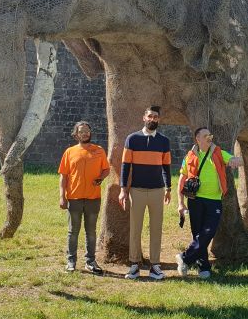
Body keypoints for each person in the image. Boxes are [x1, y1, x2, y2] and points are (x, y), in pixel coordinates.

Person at [176, 127, 242, 279]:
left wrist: (237, 160)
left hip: (214, 201)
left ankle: (185, 257)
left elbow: (231, 159)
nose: (209, 137)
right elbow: (182, 178)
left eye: (210, 135)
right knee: (198, 234)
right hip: (195, 200)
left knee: (208, 232)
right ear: (197, 139)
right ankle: (203, 266)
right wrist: (180, 203)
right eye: (205, 135)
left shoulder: (218, 152)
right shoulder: (190, 155)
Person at [119, 105, 172, 280]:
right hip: (137, 190)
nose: (152, 119)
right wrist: (123, 190)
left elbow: (166, 167)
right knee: (136, 228)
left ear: (159, 120)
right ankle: (134, 265)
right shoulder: (132, 139)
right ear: (144, 118)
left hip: (157, 190)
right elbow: (125, 166)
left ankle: (155, 266)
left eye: (156, 117)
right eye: (150, 116)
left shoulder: (164, 141)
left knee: (156, 229)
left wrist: (168, 188)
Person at [58, 121, 110, 274]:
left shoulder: (99, 150)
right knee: (73, 231)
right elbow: (63, 176)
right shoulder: (69, 152)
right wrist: (62, 197)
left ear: (90, 132)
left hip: (93, 198)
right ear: (76, 134)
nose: (85, 133)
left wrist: (100, 178)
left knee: (91, 231)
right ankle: (71, 261)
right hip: (74, 198)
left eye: (87, 130)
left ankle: (90, 261)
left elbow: (106, 169)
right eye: (81, 131)